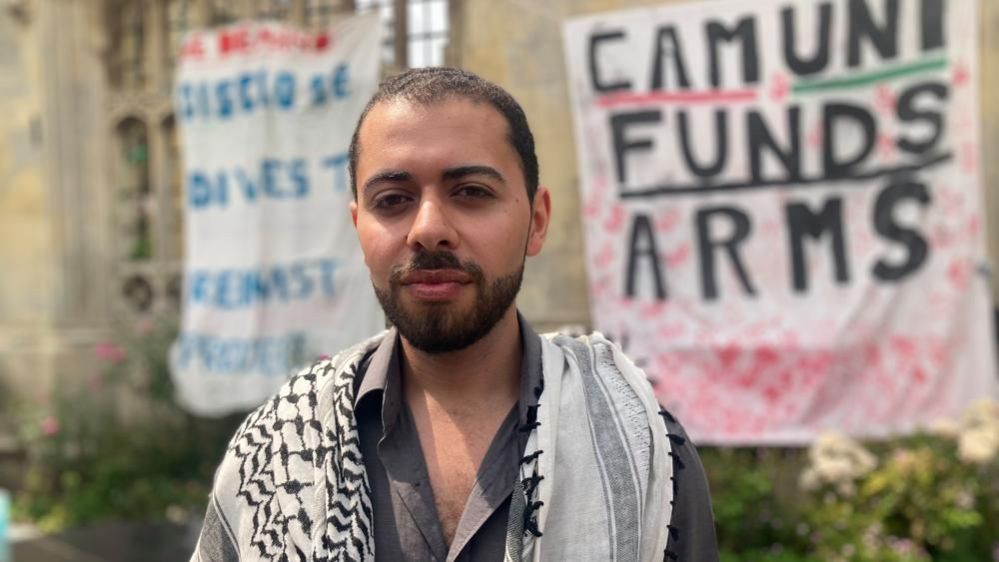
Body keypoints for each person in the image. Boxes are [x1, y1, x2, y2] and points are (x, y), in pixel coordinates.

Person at [191, 67, 719, 562]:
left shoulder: (644, 448)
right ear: (358, 228)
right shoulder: (277, 447)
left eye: (471, 192)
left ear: (536, 221)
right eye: (393, 199)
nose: (427, 229)